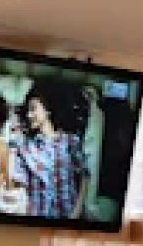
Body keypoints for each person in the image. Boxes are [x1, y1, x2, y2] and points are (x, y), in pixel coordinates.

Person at [12, 79, 92, 220]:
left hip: (69, 214)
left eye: (33, 109)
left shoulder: (69, 141)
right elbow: (20, 186)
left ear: (47, 109)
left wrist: (76, 213)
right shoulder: (25, 147)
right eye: (28, 111)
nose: (29, 115)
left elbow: (85, 175)